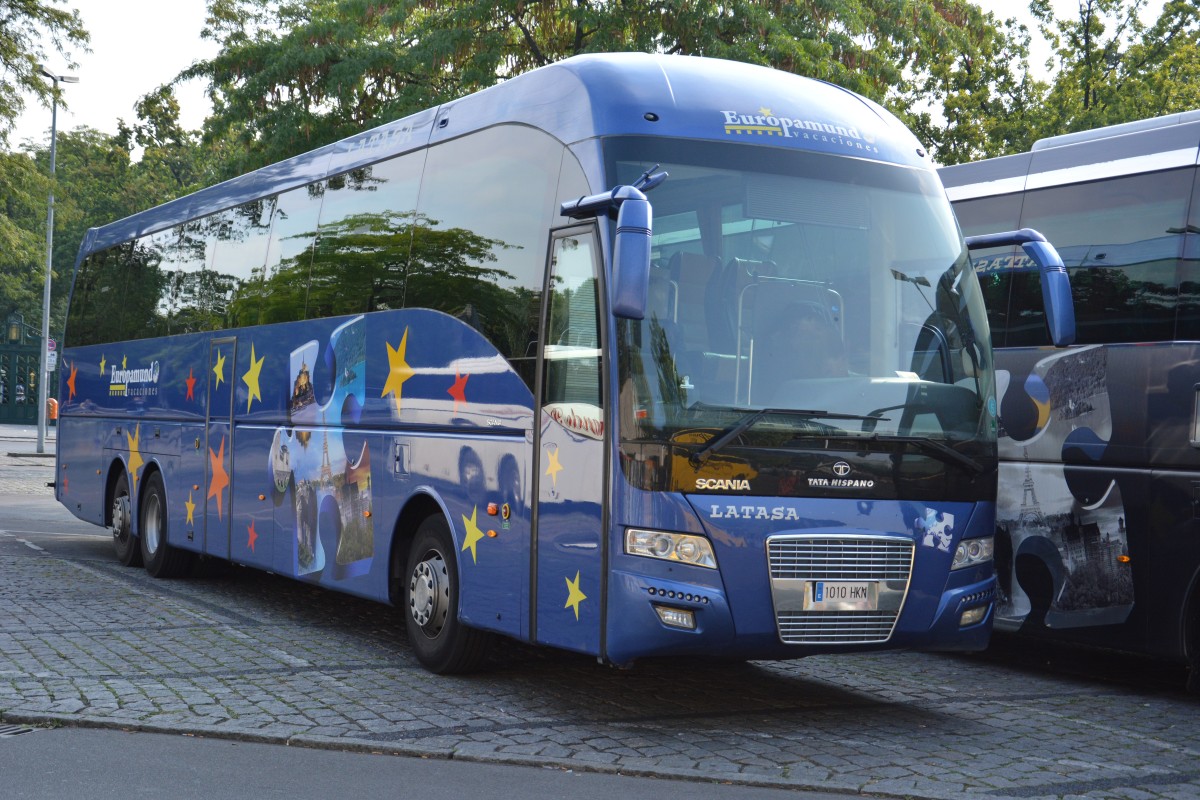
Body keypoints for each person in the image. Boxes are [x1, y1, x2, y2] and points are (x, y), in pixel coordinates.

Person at [755, 304, 846, 402]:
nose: (830, 364)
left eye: (818, 328)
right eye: (804, 337)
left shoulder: (860, 387)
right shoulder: (782, 396)